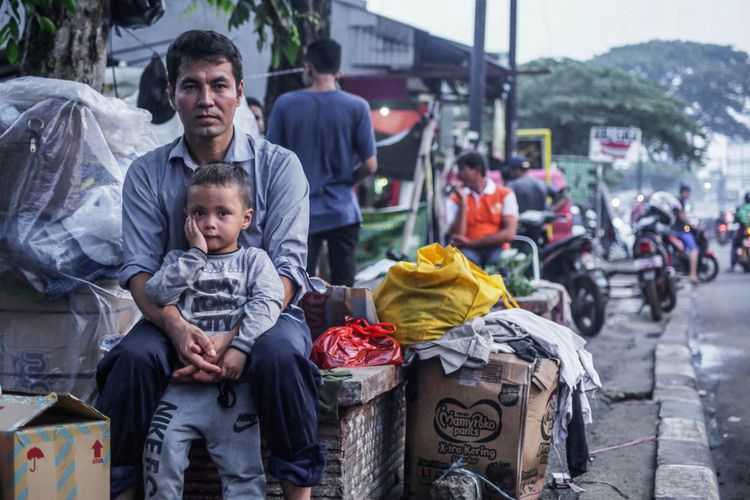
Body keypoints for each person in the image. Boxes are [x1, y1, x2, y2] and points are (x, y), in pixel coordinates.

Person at [95, 30, 326, 500]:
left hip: (267, 316)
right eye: (191, 86)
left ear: (239, 92)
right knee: (132, 361)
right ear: (171, 94)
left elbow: (288, 272)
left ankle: (298, 492)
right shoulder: (147, 173)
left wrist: (237, 337)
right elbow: (139, 272)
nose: (206, 99)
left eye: (219, 84)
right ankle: (122, 489)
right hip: (174, 314)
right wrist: (177, 329)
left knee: (283, 357)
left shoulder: (279, 167)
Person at [143, 163, 283, 499]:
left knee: (243, 474)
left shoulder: (254, 261)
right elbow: (157, 294)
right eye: (199, 213)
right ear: (186, 218)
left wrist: (240, 347)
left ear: (245, 218)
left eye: (223, 213)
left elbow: (268, 302)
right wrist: (195, 256)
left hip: (232, 391)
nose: (209, 223)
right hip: (182, 388)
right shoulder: (178, 260)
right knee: (158, 457)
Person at [267, 38, 377, 286]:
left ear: (308, 67)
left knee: (296, 284)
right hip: (344, 211)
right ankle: (345, 326)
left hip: (299, 212)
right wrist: (348, 180)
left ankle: (300, 325)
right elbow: (371, 165)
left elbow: (272, 161)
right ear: (339, 71)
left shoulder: (286, 104)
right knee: (345, 286)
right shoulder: (357, 106)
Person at [446, 151, 519, 267]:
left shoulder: (505, 194)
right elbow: (458, 236)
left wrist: (473, 243)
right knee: (465, 263)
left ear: (477, 170)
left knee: (499, 265)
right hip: (467, 251)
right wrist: (463, 203)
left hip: (497, 248)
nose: (459, 175)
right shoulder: (455, 198)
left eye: (462, 169)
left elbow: (509, 233)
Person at [672, 182, 699, 283]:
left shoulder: (676, 201)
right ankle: (693, 275)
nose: (689, 195)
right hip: (680, 231)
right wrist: (691, 225)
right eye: (688, 192)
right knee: (694, 249)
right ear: (683, 192)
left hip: (673, 231)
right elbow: (683, 217)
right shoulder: (680, 202)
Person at [729, 191, 750, 271]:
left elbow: (735, 221)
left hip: (743, 230)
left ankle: (732, 266)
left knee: (735, 245)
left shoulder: (741, 208)